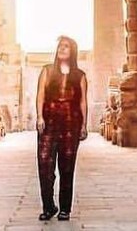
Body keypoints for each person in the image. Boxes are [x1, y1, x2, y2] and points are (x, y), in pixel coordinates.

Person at [36, 35, 88, 221]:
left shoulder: (80, 75)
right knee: (45, 165)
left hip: (70, 123)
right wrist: (39, 116)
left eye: (66, 46)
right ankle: (48, 206)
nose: (62, 49)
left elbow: (82, 101)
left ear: (72, 51)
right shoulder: (47, 71)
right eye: (60, 46)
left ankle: (65, 208)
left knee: (67, 166)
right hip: (49, 123)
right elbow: (41, 94)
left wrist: (83, 125)